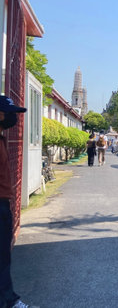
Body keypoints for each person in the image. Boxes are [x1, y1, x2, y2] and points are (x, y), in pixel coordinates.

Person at [0, 95, 29, 308]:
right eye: (9, 114)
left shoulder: (1, 137)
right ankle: (9, 300)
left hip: (3, 203)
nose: (12, 118)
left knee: (3, 256)